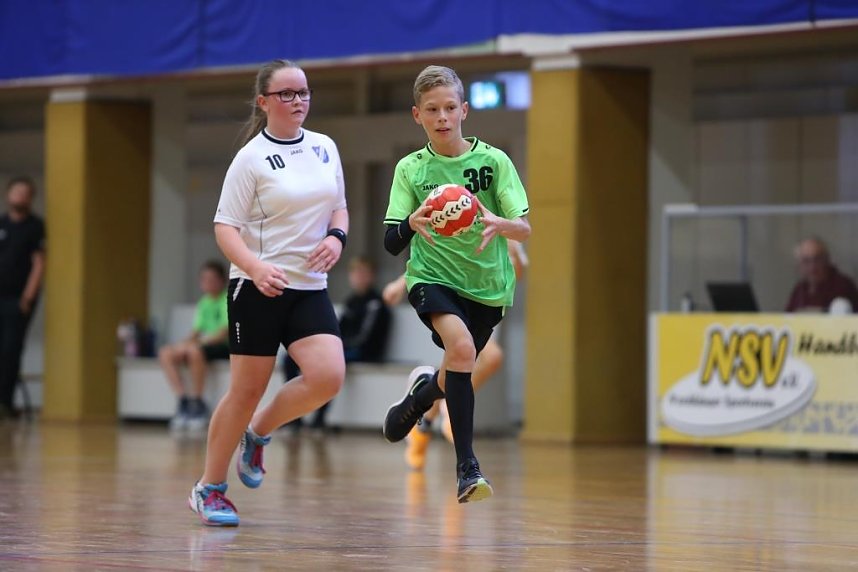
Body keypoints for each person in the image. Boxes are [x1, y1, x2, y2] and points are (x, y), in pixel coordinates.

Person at [189, 59, 349, 527]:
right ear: (264, 102)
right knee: (246, 389)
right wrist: (255, 268)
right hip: (257, 288)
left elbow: (339, 208)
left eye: (303, 92)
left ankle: (259, 432)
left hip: (309, 286)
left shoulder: (324, 147)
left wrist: (336, 239)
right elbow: (225, 227)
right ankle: (209, 488)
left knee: (327, 376)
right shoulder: (251, 158)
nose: (298, 100)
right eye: (287, 94)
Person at [381, 65, 530, 503]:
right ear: (417, 115)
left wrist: (502, 224)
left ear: (464, 110)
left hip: (488, 288)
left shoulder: (493, 162)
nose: (442, 117)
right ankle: (468, 469)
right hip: (431, 279)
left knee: (456, 368)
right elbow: (392, 242)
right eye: (432, 110)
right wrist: (412, 222)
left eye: (450, 108)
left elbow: (524, 229)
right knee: (462, 350)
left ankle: (418, 400)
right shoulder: (411, 170)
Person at [382, 240, 528, 471]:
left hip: (485, 308)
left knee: (450, 372)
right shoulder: (474, 209)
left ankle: (422, 427)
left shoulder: (511, 221)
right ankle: (447, 411)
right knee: (488, 357)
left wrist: (511, 252)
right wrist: (400, 284)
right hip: (455, 302)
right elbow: (440, 251)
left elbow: (516, 274)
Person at [284, 256, 390, 433]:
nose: (359, 277)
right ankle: (295, 417)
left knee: (331, 364)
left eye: (364, 273)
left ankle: (319, 419)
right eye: (356, 273)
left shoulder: (376, 303)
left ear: (372, 277)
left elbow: (365, 339)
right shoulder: (351, 301)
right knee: (289, 359)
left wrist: (336, 348)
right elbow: (336, 329)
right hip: (345, 348)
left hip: (363, 352)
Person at [158, 260, 229, 431]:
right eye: (204, 279)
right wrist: (181, 345)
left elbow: (223, 332)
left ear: (221, 280)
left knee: (195, 351)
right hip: (203, 344)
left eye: (212, 279)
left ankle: (198, 403)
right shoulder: (204, 302)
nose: (207, 283)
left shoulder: (227, 298)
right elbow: (196, 331)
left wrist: (194, 345)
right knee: (166, 352)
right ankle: (183, 401)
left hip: (227, 346)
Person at [0, 176, 45, 420]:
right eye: (15, 191)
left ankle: (5, 402)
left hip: (17, 299)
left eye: (23, 192)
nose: (18, 196)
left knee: (10, 349)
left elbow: (39, 263)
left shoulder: (34, 227)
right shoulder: (2, 223)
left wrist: (27, 297)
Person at [786, 237, 858, 313]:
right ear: (799, 265)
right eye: (806, 261)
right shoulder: (799, 289)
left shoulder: (843, 285)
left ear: (827, 259)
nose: (812, 267)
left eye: (817, 259)